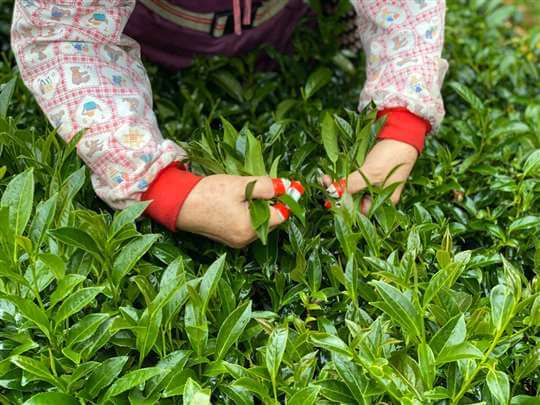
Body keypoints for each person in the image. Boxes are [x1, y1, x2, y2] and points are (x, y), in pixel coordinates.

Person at [10, 0, 448, 247]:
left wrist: (401, 128)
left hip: (293, 25)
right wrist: (165, 187)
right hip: (152, 29)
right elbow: (64, 34)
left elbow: (407, 9)